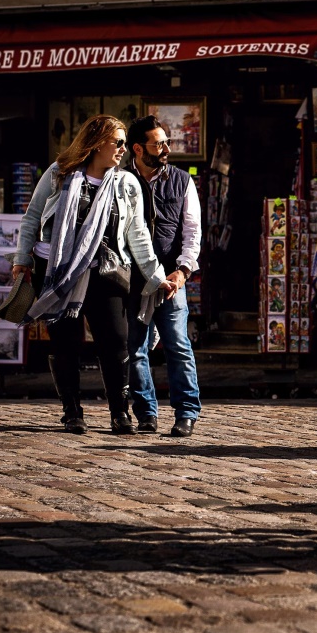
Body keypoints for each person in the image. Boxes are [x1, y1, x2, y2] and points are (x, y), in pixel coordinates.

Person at [10, 115, 170, 435]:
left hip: (107, 270)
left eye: (125, 143)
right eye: (119, 143)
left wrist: (156, 275)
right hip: (59, 270)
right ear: (97, 143)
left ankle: (119, 413)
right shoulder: (58, 174)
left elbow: (137, 234)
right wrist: (21, 258)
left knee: (115, 341)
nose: (124, 150)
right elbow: (32, 219)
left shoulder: (125, 182)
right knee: (66, 342)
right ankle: (72, 411)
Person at [124, 115, 203, 438]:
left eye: (167, 141)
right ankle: (145, 413)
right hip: (132, 278)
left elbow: (192, 232)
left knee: (178, 345)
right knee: (136, 349)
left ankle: (186, 412)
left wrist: (183, 271)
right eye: (159, 144)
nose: (167, 148)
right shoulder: (121, 180)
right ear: (138, 148)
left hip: (172, 281)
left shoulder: (183, 180)